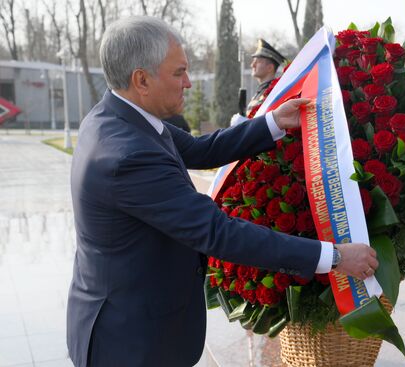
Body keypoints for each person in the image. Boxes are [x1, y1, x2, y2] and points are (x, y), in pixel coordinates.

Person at [67, 16, 379, 367]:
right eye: (178, 72)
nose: (187, 82)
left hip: (131, 319)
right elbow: (217, 232)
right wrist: (335, 257)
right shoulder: (127, 154)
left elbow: (200, 150)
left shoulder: (123, 116)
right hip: (130, 341)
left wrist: (274, 121)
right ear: (141, 79)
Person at [245, 39, 286, 116]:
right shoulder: (261, 91)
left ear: (270, 68)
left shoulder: (272, 93)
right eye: (253, 61)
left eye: (258, 62)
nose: (252, 65)